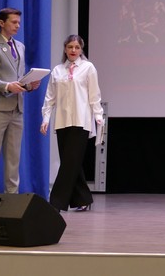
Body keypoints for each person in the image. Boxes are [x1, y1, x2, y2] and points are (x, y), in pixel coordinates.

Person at [0, 7, 41, 193]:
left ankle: (11, 198)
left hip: (17, 109)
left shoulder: (20, 46)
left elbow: (18, 79)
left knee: (13, 158)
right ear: (1, 23)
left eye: (19, 23)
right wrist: (6, 86)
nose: (17, 26)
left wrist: (28, 85)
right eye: (14, 22)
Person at [40, 35, 104, 212]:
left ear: (81, 49)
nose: (73, 50)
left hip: (81, 121)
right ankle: (83, 198)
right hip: (62, 122)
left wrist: (98, 115)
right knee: (71, 162)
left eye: (76, 47)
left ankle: (55, 203)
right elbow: (50, 98)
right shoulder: (57, 70)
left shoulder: (88, 68)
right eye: (70, 47)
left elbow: (94, 95)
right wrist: (45, 118)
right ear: (65, 49)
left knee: (69, 163)